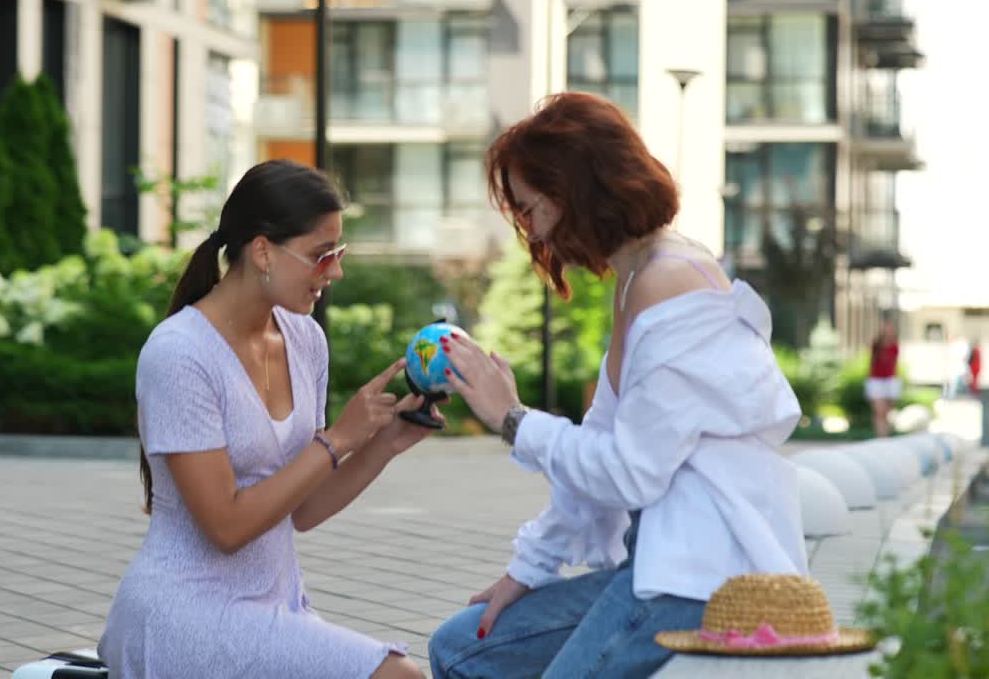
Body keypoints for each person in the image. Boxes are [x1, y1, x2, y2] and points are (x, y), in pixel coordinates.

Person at [426, 92, 808, 678]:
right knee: (461, 648)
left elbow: (631, 471)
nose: (529, 229)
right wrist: (525, 572)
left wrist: (512, 419)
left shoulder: (670, 282)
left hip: (706, 577)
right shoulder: (638, 282)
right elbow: (599, 452)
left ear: (575, 191)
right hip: (659, 567)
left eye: (531, 208)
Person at [99, 160, 437, 679]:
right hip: (186, 615)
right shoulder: (179, 354)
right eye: (322, 256)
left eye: (338, 253)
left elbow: (301, 510)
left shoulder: (305, 341)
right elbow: (227, 527)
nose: (337, 272)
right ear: (262, 251)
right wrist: (337, 439)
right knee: (399, 676)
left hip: (274, 607)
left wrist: (385, 442)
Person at [865, 320, 901, 438]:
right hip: (876, 381)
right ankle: (881, 436)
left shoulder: (895, 347)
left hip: (889, 381)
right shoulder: (876, 346)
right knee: (879, 412)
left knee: (886, 413)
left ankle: (885, 434)